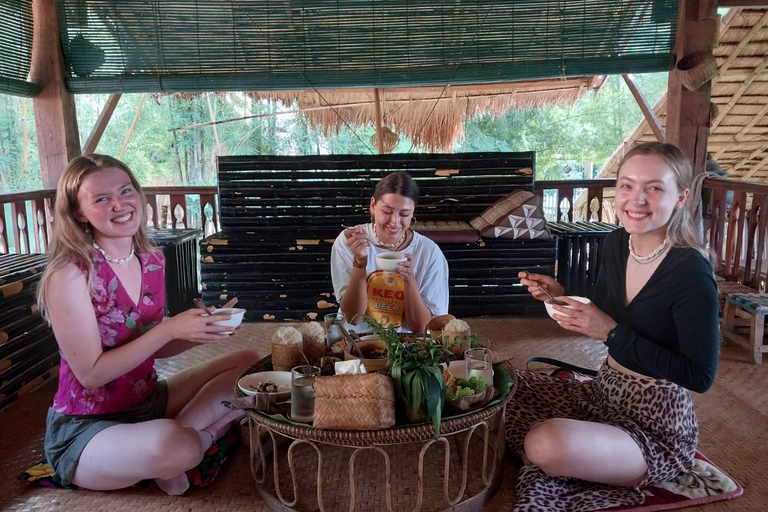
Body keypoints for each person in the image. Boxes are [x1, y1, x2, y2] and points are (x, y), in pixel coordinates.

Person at [507, 142, 720, 511]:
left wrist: (610, 333)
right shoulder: (616, 242)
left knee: (544, 442)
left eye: (654, 188)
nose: (636, 200)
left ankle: (580, 458)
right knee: (501, 381)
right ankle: (584, 453)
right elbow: (609, 309)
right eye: (627, 185)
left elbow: (700, 375)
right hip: (603, 391)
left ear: (681, 197)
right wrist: (560, 295)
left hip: (657, 423)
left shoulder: (690, 272)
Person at [37, 154, 259, 495]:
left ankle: (180, 438)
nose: (120, 204)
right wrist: (169, 328)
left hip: (147, 400)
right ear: (79, 213)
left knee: (249, 363)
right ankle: (192, 442)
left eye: (125, 191)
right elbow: (91, 374)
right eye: (101, 199)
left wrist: (198, 332)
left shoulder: (151, 259)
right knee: (177, 447)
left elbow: (150, 344)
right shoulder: (70, 274)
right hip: (88, 427)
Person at [330, 171, 449, 333]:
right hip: (359, 342)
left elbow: (422, 328)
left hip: (409, 347)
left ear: (413, 212)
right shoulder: (350, 242)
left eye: (404, 214)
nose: (394, 222)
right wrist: (360, 262)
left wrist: (409, 280)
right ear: (373, 205)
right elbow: (353, 318)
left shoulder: (429, 252)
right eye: (387, 211)